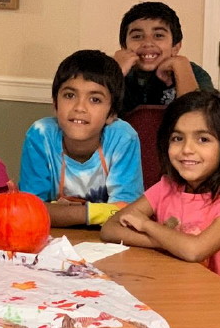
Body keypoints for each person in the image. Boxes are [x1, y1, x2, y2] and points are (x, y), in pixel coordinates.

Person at [102, 90, 220, 287]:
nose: (187, 149)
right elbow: (110, 228)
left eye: (203, 139)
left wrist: (147, 225)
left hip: (217, 304)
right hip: (165, 292)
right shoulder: (166, 187)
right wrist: (166, 242)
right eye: (177, 138)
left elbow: (194, 250)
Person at [19, 50, 143, 227]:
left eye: (95, 99)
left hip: (111, 241)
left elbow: (127, 214)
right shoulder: (40, 135)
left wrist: (58, 212)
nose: (79, 107)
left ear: (112, 114)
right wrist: (98, 212)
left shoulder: (123, 138)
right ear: (55, 104)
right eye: (70, 95)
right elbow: (29, 210)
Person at [113, 1, 213, 115]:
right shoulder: (113, 71)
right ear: (124, 46)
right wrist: (115, 72)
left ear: (175, 47)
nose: (147, 43)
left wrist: (181, 66)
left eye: (158, 36)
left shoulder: (193, 73)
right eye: (137, 36)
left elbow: (200, 119)